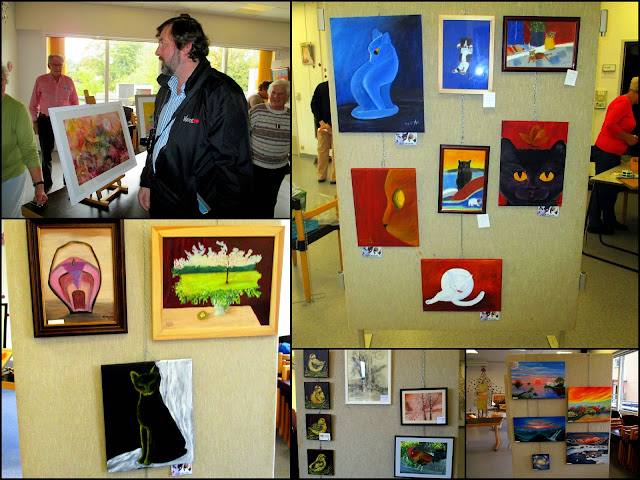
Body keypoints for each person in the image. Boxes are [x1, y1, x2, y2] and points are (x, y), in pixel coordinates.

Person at [138, 16, 253, 218]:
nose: (157, 51)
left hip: (194, 210)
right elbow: (156, 141)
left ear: (186, 47)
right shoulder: (166, 89)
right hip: (160, 198)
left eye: (163, 43)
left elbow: (233, 169)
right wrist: (147, 182)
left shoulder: (222, 93)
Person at [588, 76, 638, 235]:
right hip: (606, 151)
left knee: (611, 190)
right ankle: (594, 223)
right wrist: (628, 138)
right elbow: (610, 125)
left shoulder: (627, 104)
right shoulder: (622, 102)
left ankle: (609, 220)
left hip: (613, 152)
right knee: (602, 189)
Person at [29, 54, 79, 193]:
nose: (58, 67)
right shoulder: (41, 80)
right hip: (45, 121)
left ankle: (67, 181)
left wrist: (74, 122)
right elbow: (33, 104)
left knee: (66, 153)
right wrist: (34, 122)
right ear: (49, 65)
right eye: (54, 64)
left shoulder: (68, 81)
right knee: (46, 154)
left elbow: (75, 103)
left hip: (64, 122)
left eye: (60, 65)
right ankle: (47, 183)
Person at [2, 65, 48, 217]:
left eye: (1, 80)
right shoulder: (41, 80)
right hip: (45, 120)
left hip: (10, 175)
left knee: (9, 217)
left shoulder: (17, 110)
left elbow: (29, 150)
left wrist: (39, 185)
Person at [249, 79, 291, 218]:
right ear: (268, 93)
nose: (276, 96)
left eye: (281, 94)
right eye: (273, 93)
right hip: (255, 166)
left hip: (278, 169)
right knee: (253, 201)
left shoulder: (289, 116)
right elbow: (243, 135)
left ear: (287, 96)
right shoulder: (257, 111)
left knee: (270, 201)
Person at [310, 80, 335, 183]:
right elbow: (339, 107)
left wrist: (321, 121)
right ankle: (334, 178)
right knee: (335, 152)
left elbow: (313, 105)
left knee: (322, 151)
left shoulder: (321, 86)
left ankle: (321, 176)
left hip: (322, 125)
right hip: (333, 125)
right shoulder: (339, 86)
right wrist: (329, 123)